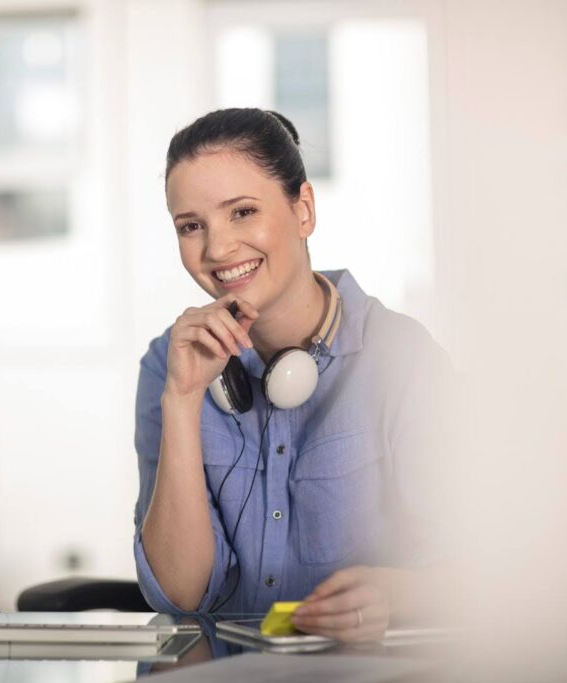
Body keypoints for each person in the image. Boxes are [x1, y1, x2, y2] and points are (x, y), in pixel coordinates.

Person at [133, 108, 449, 642]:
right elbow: (182, 595)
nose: (216, 249)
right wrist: (183, 400)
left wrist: (392, 594)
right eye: (191, 226)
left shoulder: (400, 357)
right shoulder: (171, 364)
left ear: (303, 210)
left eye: (242, 212)